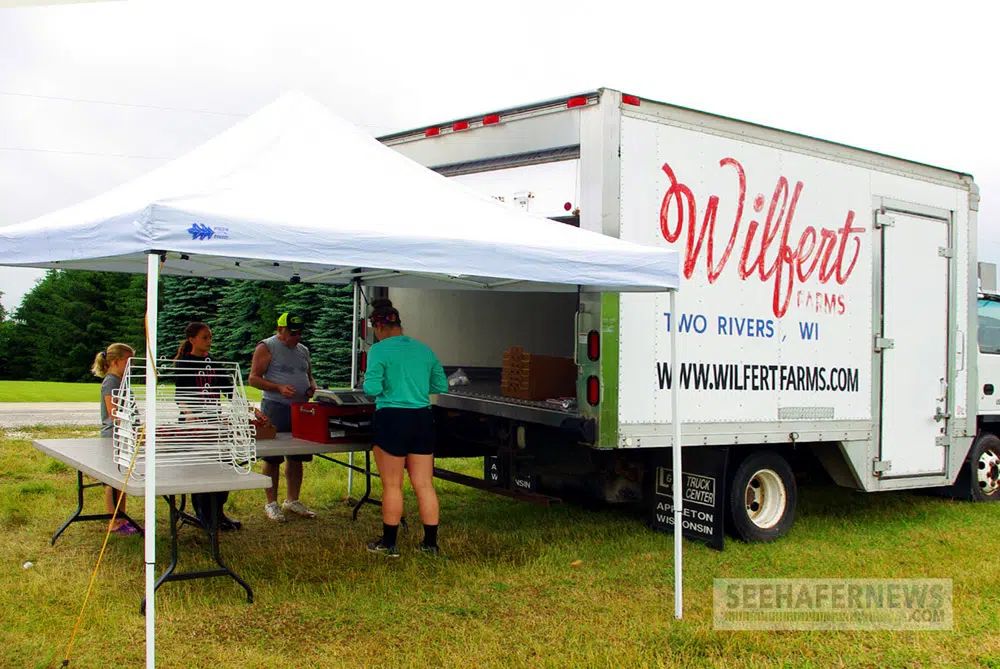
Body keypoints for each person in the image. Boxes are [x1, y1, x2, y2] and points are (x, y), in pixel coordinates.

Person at [363, 299, 448, 558]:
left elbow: (371, 389)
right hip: (422, 418)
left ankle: (389, 544)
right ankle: (430, 544)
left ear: (377, 326)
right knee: (424, 483)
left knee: (392, 485)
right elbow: (440, 386)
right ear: (399, 323)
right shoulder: (424, 349)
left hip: (392, 418)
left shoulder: (378, 350)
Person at [249, 312, 318, 522]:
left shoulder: (303, 350)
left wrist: (311, 386)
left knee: (297, 454)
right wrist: (278, 387)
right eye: (292, 332)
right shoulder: (267, 347)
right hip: (275, 406)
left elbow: (308, 375)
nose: (296, 336)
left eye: (299, 332)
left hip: (300, 408)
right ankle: (272, 503)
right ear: (280, 330)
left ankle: (292, 500)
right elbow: (253, 379)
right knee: (273, 456)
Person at [173, 321, 242, 532]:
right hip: (195, 425)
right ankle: (203, 515)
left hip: (216, 423)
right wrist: (191, 415)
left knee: (223, 467)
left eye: (210, 337)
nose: (209, 341)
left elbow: (228, 390)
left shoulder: (212, 362)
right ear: (192, 340)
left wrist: (245, 407)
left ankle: (218, 514)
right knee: (201, 471)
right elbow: (180, 395)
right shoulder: (184, 363)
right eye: (205, 337)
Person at [91, 342, 138, 536]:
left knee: (122, 480)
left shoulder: (121, 381)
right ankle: (114, 521)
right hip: (113, 436)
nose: (132, 367)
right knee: (112, 481)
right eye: (129, 362)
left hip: (124, 435)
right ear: (116, 362)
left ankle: (123, 518)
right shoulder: (111, 382)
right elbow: (113, 411)